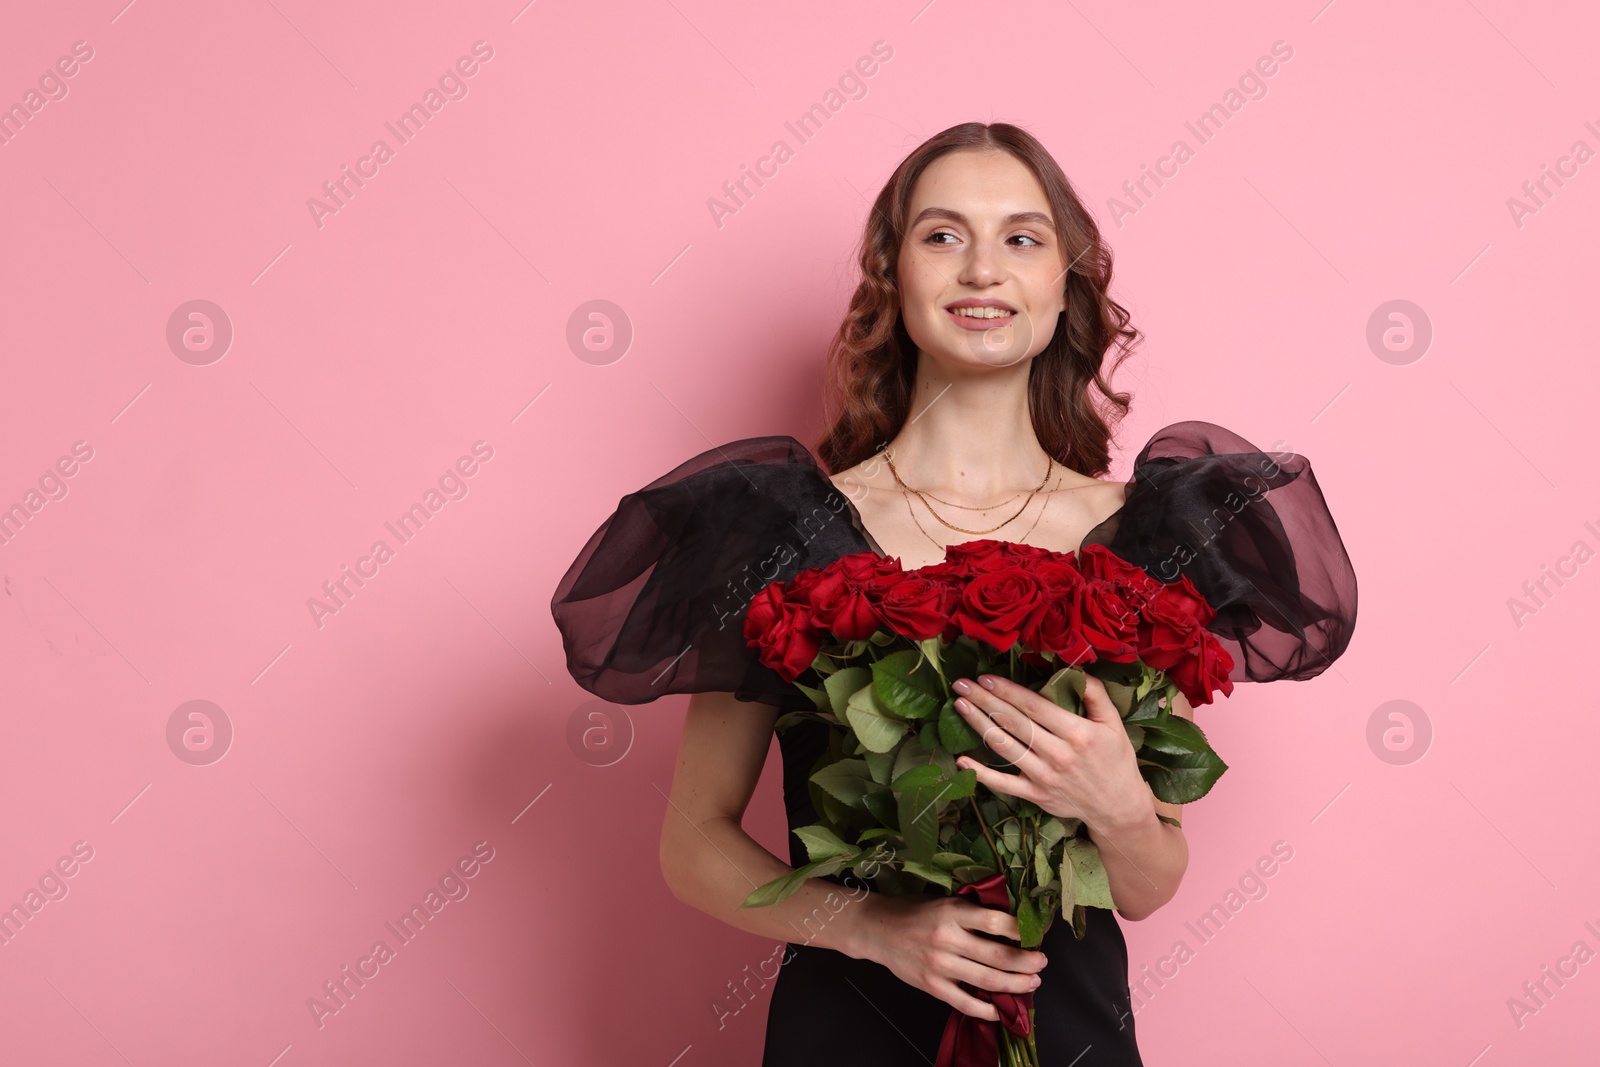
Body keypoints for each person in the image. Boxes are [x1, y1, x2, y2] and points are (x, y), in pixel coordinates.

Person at [550, 121, 1357, 1066]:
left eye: (1022, 238)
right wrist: (871, 927)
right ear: (894, 281)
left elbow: (1145, 883)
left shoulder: (1151, 536)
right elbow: (694, 845)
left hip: (1068, 1032)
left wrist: (1119, 802)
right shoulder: (779, 532)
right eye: (942, 236)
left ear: (1066, 285)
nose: (982, 269)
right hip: (845, 1030)